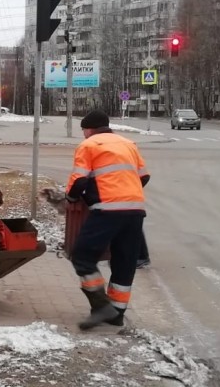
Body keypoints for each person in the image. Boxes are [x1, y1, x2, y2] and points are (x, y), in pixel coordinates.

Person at [64, 109, 150, 330]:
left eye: (83, 130)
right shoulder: (128, 143)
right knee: (124, 262)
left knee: (82, 257)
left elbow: (79, 182)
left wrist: (71, 198)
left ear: (89, 129)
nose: (83, 134)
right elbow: (144, 176)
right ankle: (117, 314)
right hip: (135, 210)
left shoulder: (88, 145)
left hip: (107, 210)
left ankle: (101, 306)